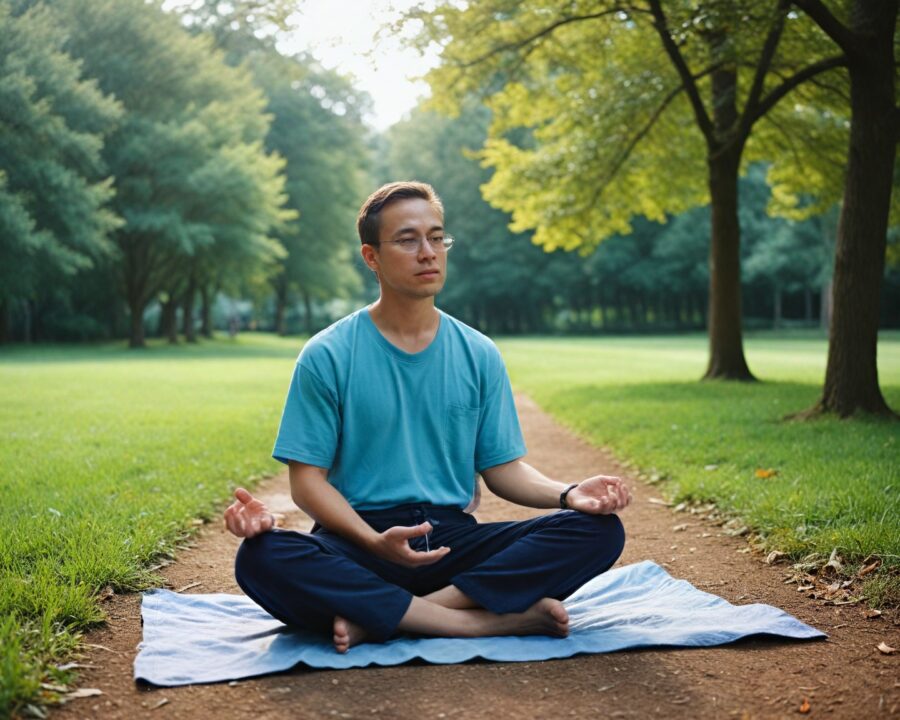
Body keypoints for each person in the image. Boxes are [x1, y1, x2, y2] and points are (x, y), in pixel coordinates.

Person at [225, 181, 631, 653]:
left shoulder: (478, 352)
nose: (428, 253)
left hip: (450, 544)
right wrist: (373, 541)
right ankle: (478, 622)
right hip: (358, 542)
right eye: (408, 240)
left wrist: (568, 493)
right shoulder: (327, 354)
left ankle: (395, 615)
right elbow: (307, 484)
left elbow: (503, 469)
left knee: (598, 530)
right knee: (262, 555)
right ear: (372, 257)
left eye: (437, 238)